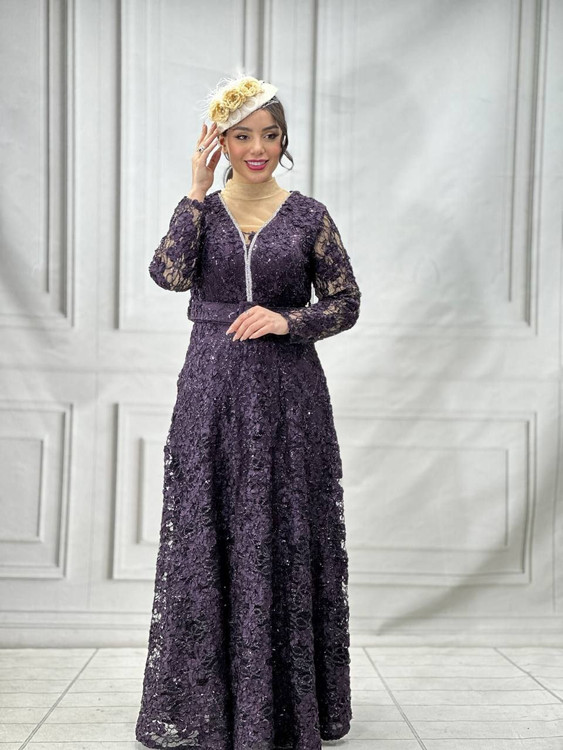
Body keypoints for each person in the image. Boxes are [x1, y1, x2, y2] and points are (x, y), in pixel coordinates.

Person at [135, 74, 361, 750]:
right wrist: (194, 190)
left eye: (269, 135)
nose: (257, 148)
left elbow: (345, 302)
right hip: (210, 391)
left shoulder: (309, 216)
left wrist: (288, 320)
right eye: (242, 136)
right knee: (209, 527)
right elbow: (168, 275)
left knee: (285, 528)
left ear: (284, 141)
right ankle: (208, 704)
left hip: (290, 396)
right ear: (221, 141)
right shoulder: (202, 212)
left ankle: (285, 709)